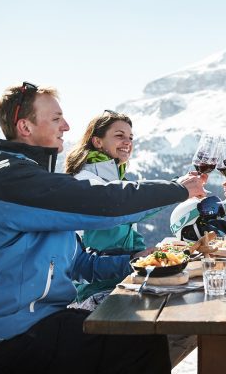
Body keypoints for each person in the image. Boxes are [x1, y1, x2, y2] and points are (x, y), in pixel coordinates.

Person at [0, 82, 205, 374]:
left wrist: (134, 262)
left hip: (42, 321)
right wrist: (177, 189)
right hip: (13, 335)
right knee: (139, 343)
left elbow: (78, 262)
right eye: (55, 118)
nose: (66, 125)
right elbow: (105, 204)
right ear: (25, 126)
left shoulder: (30, 179)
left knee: (138, 335)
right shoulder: (11, 180)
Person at [64, 111, 162, 308]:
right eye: (119, 136)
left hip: (123, 281)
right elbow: (125, 209)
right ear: (98, 142)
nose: (127, 142)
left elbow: (129, 231)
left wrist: (144, 256)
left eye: (131, 137)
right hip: (93, 292)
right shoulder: (86, 183)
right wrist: (179, 190)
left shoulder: (116, 181)